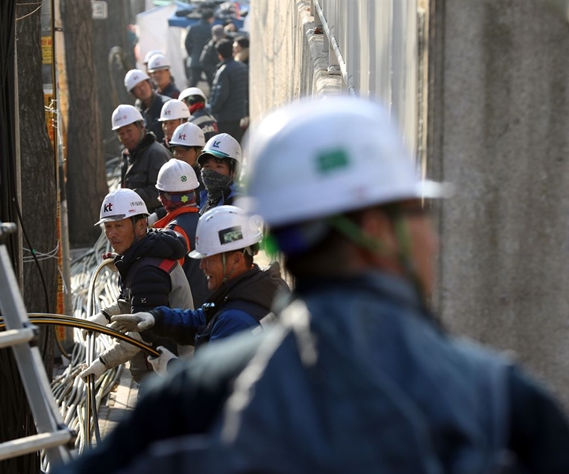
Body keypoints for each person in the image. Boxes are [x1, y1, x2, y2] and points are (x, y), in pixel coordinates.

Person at [59, 96, 569, 474]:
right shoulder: (506, 408)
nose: (433, 238)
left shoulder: (191, 401)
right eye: (417, 213)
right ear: (377, 230)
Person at [111, 205, 288, 375]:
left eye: (209, 259)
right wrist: (156, 318)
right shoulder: (259, 287)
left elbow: (212, 385)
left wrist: (173, 368)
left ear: (236, 259)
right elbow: (203, 319)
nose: (202, 266)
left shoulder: (235, 321)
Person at [79, 188, 194, 384]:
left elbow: (142, 334)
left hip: (168, 374)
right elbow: (136, 305)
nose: (111, 234)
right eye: (107, 226)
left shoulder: (147, 269)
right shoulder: (142, 255)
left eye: (118, 225)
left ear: (141, 226)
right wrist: (104, 317)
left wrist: (102, 363)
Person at [150, 159, 210, 308]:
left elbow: (168, 279)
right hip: (208, 307)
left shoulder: (175, 232)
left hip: (185, 313)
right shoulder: (205, 221)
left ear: (163, 198)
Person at [112, 104, 170, 214]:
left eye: (129, 131)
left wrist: (130, 196)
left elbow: (163, 194)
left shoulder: (156, 154)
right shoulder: (127, 155)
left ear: (141, 126)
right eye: (121, 133)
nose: (126, 137)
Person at [207, 39, 248, 143]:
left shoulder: (223, 71)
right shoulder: (242, 67)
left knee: (223, 147)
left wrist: (211, 109)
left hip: (224, 117)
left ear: (220, 55)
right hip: (238, 114)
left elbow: (221, 95)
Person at [198, 133, 242, 214]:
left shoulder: (238, 202)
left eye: (219, 166)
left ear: (234, 171)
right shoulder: (205, 197)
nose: (211, 171)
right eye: (207, 166)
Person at [124, 69, 170, 142]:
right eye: (137, 87)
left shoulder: (167, 104)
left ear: (150, 84)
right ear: (133, 94)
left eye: (143, 84)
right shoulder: (136, 113)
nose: (142, 89)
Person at [184, 10, 214, 87]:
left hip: (195, 58)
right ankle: (212, 99)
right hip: (208, 60)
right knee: (212, 83)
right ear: (210, 18)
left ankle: (187, 98)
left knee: (193, 83)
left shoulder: (192, 28)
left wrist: (191, 53)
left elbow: (187, 43)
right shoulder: (211, 29)